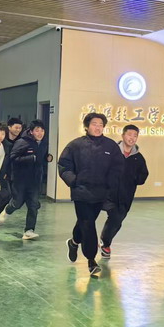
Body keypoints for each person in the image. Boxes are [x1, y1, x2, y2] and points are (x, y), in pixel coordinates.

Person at [58, 112, 121, 277]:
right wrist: (74, 180)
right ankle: (91, 260)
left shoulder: (110, 146)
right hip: (81, 192)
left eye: (101, 125)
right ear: (86, 126)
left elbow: (117, 167)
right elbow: (64, 165)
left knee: (85, 221)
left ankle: (73, 242)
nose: (98, 127)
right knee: (88, 224)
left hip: (101, 193)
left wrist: (110, 185)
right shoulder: (75, 145)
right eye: (94, 124)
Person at [100, 124, 149, 259]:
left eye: (135, 136)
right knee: (109, 216)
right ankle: (99, 242)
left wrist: (133, 178)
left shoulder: (138, 158)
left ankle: (105, 242)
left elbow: (143, 176)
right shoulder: (111, 152)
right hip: (107, 193)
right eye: (129, 135)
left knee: (118, 220)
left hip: (125, 196)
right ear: (123, 136)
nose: (132, 138)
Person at [0, 120, 49, 239]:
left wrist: (47, 158)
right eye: (37, 130)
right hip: (20, 179)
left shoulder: (44, 143)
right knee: (17, 202)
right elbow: (13, 158)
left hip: (35, 180)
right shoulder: (22, 142)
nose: (40, 133)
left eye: (42, 131)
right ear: (31, 131)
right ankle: (7, 210)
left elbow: (40, 158)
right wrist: (31, 158)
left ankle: (29, 230)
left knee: (33, 205)